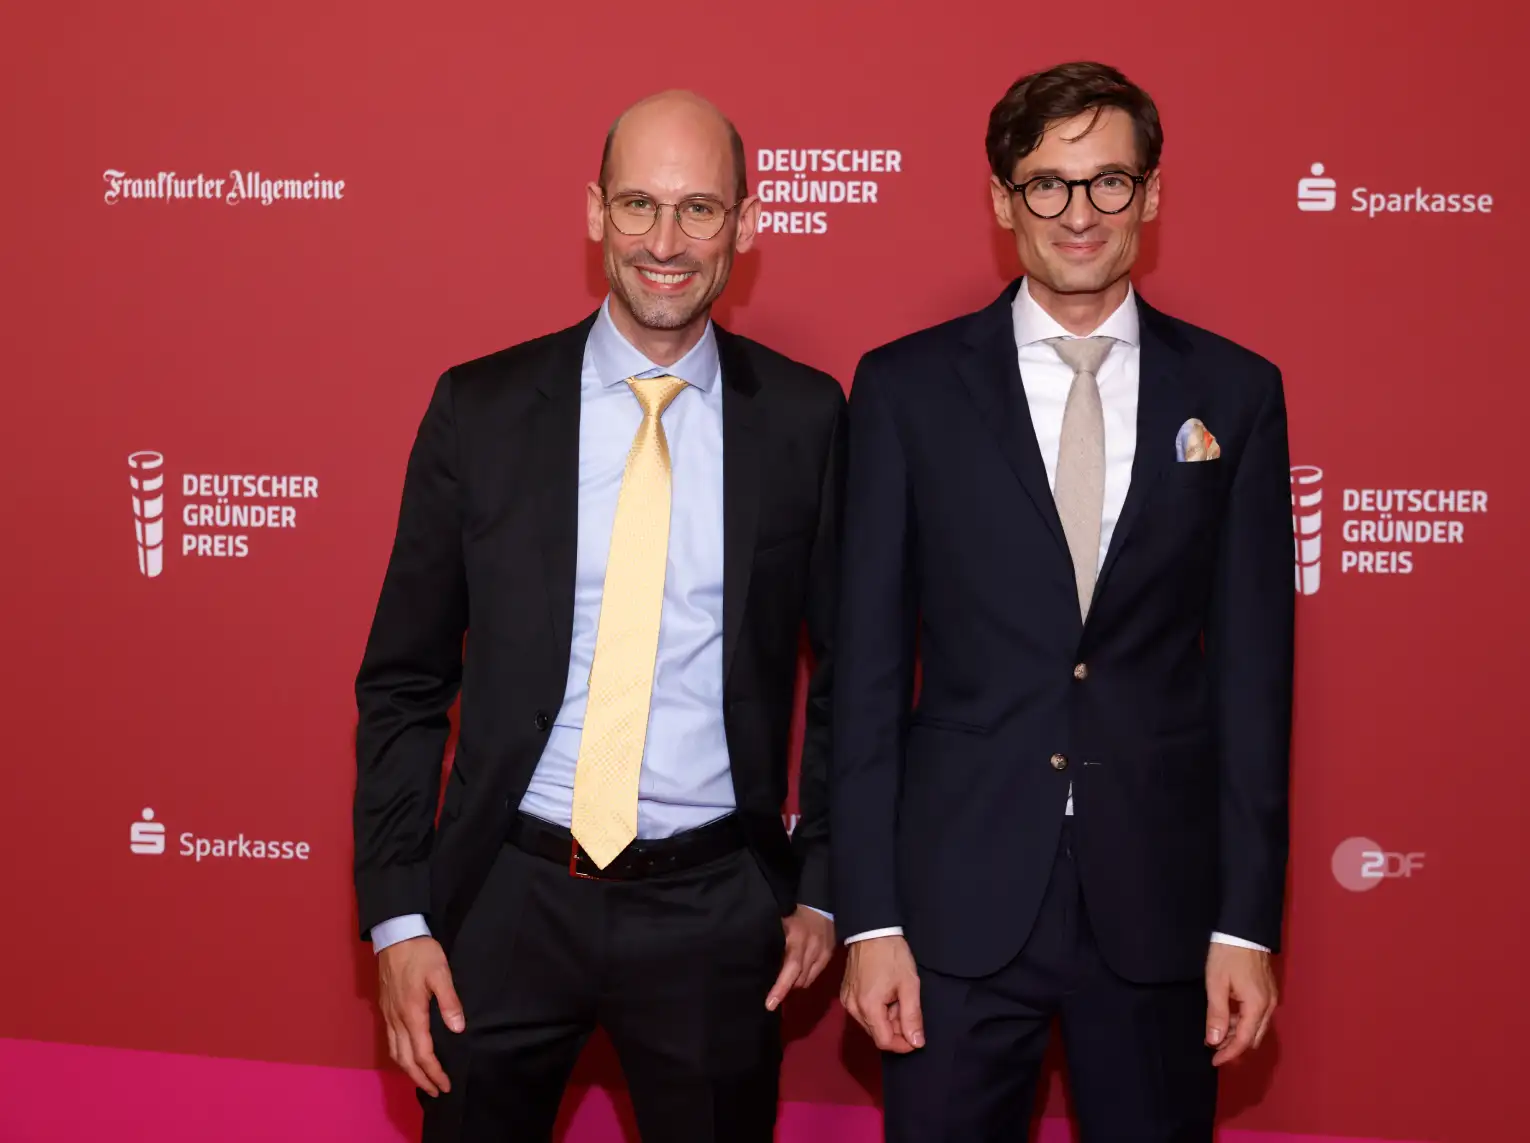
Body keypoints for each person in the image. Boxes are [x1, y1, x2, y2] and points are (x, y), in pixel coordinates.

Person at [352, 89, 844, 1143]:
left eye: (700, 209)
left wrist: (828, 883)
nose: (665, 242)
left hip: (719, 916)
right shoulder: (478, 411)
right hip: (504, 902)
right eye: (638, 205)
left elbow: (854, 676)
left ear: (748, 225)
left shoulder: (807, 422)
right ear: (593, 213)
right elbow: (403, 680)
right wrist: (400, 917)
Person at [832, 61, 1294, 1142]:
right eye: (1047, 184)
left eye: (1108, 183)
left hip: (1158, 910)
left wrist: (1243, 926)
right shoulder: (905, 390)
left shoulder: (1236, 392)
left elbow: (1256, 682)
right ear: (1002, 201)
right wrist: (873, 920)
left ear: (1153, 195)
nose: (1078, 214)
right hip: (951, 909)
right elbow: (861, 674)